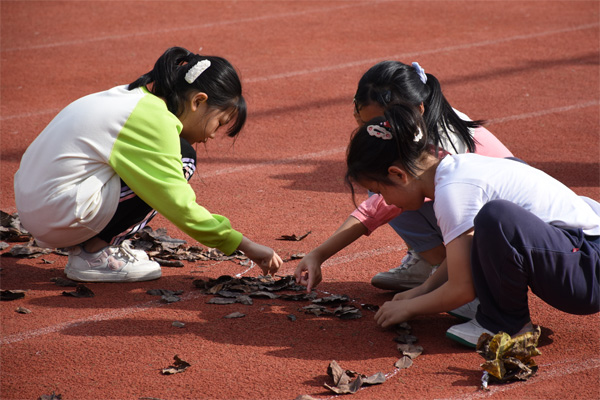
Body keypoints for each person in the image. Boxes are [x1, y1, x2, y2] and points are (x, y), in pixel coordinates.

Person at [14, 46, 283, 283]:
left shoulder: (129, 98)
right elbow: (178, 203)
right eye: (219, 123)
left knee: (161, 165)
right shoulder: (153, 119)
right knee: (182, 157)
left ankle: (90, 242)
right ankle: (95, 253)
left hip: (38, 207)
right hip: (56, 214)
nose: (213, 135)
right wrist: (244, 245)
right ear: (198, 101)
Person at [339, 103, 599, 347]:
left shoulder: (453, 191)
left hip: (587, 273)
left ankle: (505, 324)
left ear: (398, 174)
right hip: (583, 255)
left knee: (496, 217)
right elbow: (465, 251)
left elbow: (461, 289)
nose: (383, 201)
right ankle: (496, 312)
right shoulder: (453, 169)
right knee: (487, 227)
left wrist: (409, 308)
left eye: (378, 191)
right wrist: (423, 290)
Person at [295, 61, 514, 311]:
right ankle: (433, 266)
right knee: (387, 187)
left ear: (417, 109)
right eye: (368, 126)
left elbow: (376, 209)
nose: (376, 132)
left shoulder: (443, 145)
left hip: (508, 226)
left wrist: (420, 302)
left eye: (380, 124)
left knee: (393, 193)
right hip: (491, 215)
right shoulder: (417, 127)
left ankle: (463, 278)